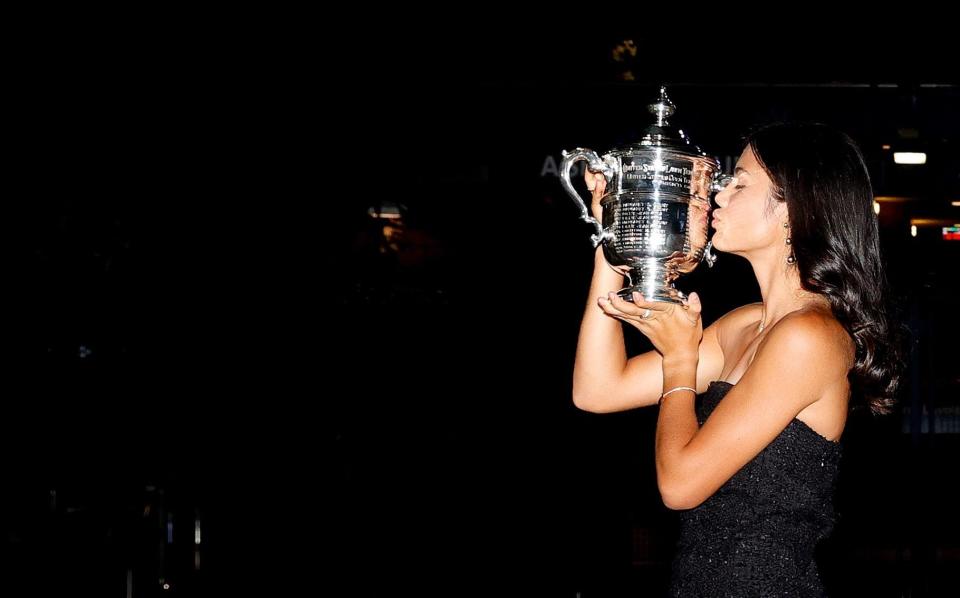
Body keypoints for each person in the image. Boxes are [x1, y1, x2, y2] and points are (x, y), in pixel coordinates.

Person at [572, 122, 905, 596]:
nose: (719, 196)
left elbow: (681, 485)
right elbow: (597, 390)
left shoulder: (808, 336)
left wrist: (680, 361)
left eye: (740, 182)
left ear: (794, 209)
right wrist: (616, 238)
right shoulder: (749, 323)